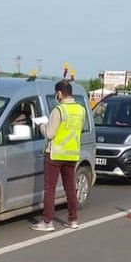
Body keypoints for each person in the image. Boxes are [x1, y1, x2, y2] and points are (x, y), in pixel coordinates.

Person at [31, 80, 85, 232]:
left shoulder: (59, 110)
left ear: (60, 93)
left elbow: (49, 134)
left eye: (56, 93)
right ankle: (73, 220)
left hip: (55, 154)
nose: (56, 96)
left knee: (50, 189)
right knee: (70, 188)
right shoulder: (81, 110)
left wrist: (41, 124)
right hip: (72, 154)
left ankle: (48, 222)